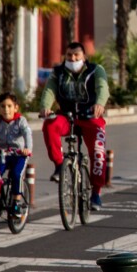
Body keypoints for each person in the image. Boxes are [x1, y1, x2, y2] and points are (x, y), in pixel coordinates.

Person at [39, 41, 109, 211]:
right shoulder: (58, 72)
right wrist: (45, 106)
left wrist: (100, 103)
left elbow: (103, 88)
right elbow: (49, 90)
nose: (73, 58)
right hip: (67, 116)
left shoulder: (95, 70)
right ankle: (59, 165)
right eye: (69, 55)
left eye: (77, 55)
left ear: (84, 56)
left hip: (90, 117)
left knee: (98, 153)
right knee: (49, 125)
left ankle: (96, 194)